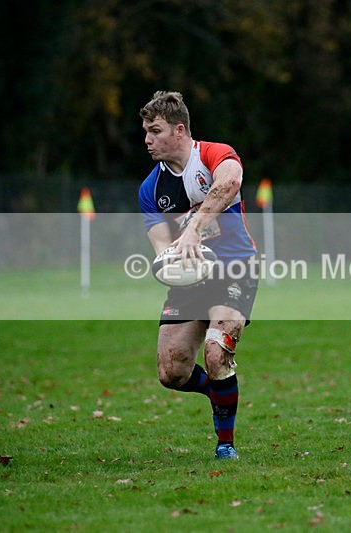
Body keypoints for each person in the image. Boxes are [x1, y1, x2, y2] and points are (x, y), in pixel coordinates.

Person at [137, 91, 258, 459]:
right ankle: (220, 390)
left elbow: (230, 182)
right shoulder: (150, 189)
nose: (147, 139)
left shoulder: (213, 154)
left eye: (155, 130)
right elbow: (161, 248)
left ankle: (226, 445)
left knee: (216, 353)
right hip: (191, 279)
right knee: (171, 371)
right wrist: (169, 263)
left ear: (179, 130)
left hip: (236, 266)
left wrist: (193, 227)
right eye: (145, 131)